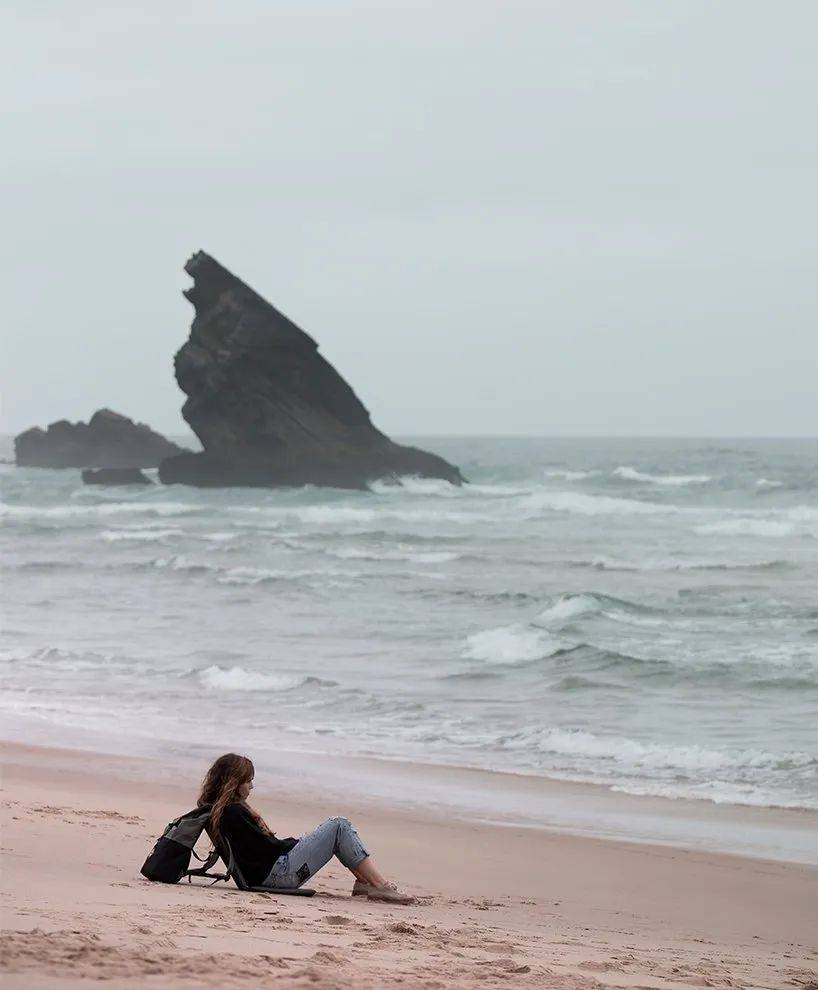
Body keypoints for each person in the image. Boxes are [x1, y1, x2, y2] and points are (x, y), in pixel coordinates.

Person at [198, 753, 415, 904]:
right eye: (248, 781)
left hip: (267, 873)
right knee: (339, 825)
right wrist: (296, 844)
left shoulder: (223, 810)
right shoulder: (233, 812)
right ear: (233, 782)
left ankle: (365, 883)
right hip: (277, 875)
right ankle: (379, 884)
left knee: (334, 831)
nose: (252, 786)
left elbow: (259, 848)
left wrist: (297, 844)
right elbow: (267, 849)